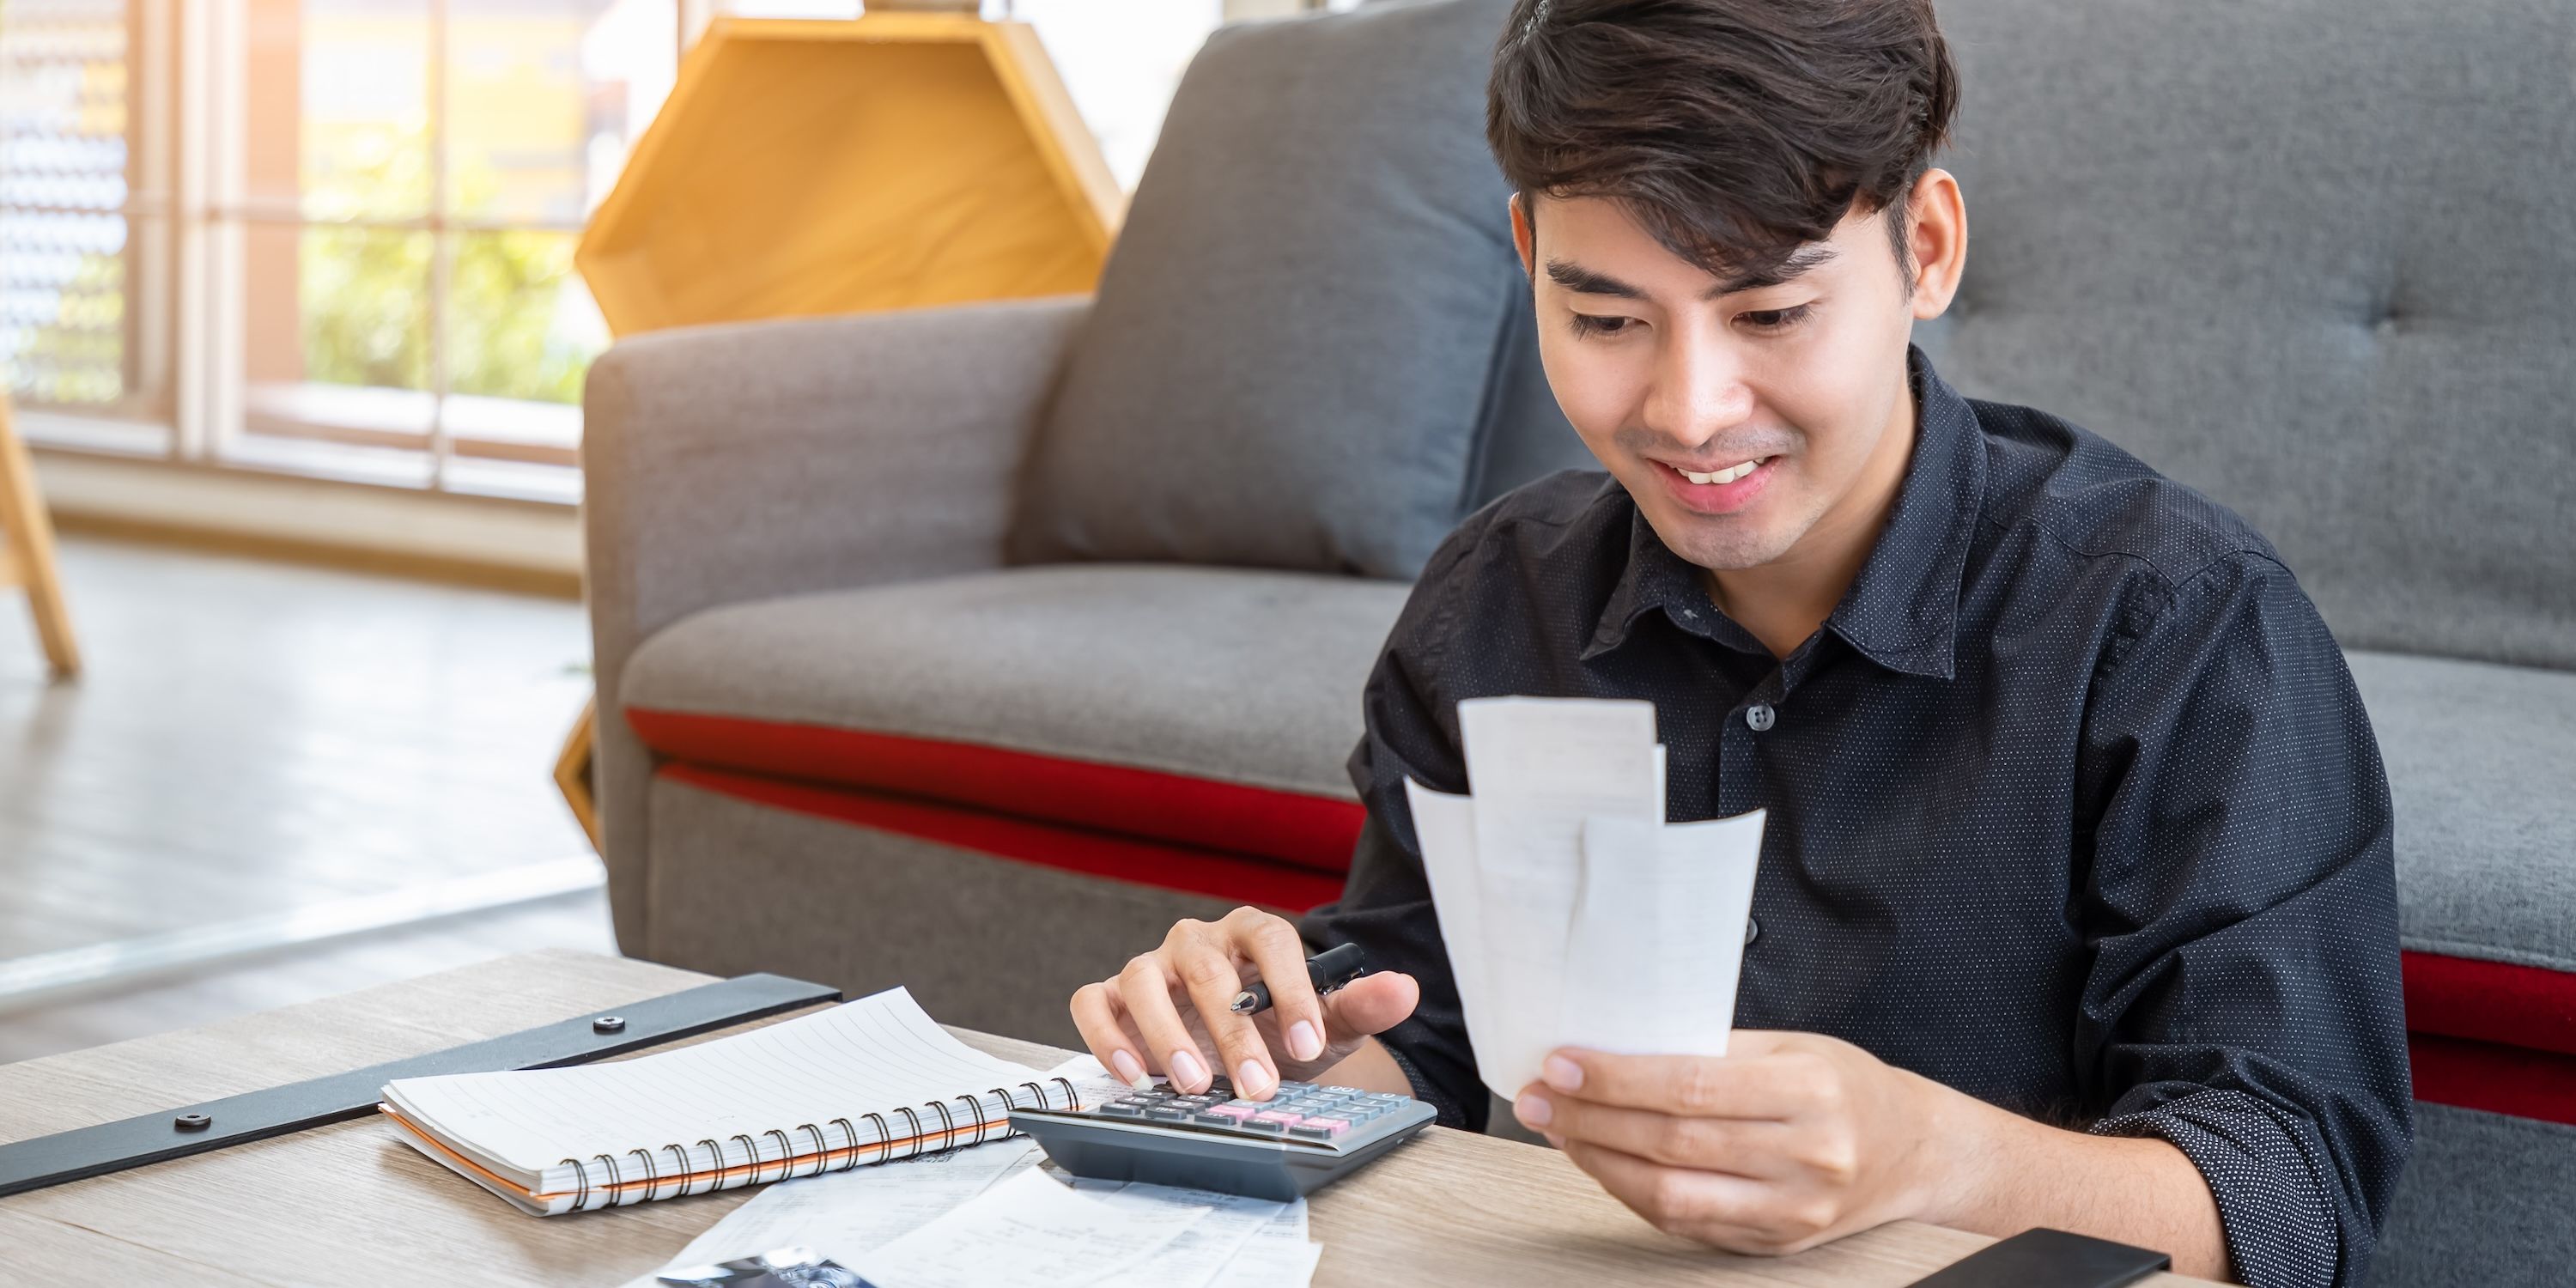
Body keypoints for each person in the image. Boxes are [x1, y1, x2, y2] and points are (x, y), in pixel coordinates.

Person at [1067, 2, 2411, 1284]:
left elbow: (2291, 1195)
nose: (1692, 411)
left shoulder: (2177, 622)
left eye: (1770, 315)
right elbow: (1428, 1037)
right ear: (1529, 257)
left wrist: (1935, 1158)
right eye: (1607, 320)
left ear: (1927, 249)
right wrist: (1281, 1058)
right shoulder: (1498, 601)